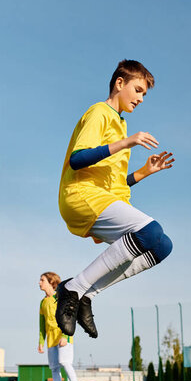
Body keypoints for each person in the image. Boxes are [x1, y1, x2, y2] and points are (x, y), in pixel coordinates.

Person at [56, 59, 174, 337]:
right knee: (150, 230)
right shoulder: (99, 112)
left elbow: (114, 184)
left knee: (161, 246)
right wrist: (126, 142)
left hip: (100, 198)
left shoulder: (120, 126)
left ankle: (86, 294)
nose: (141, 98)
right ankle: (73, 288)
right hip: (80, 195)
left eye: (144, 94)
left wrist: (143, 172)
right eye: (138, 90)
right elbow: (77, 159)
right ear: (119, 84)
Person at [38, 272, 83, 381]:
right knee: (54, 368)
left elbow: (69, 316)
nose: (39, 282)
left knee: (65, 362)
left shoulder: (61, 297)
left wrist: (65, 336)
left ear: (51, 282)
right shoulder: (42, 302)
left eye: (42, 280)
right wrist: (41, 341)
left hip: (63, 335)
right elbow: (41, 323)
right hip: (51, 338)